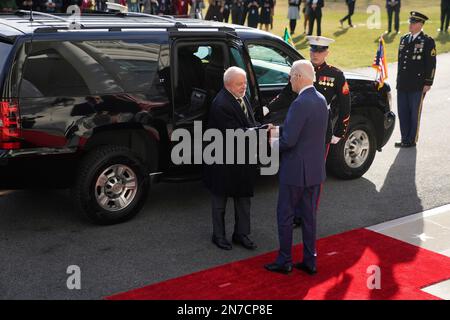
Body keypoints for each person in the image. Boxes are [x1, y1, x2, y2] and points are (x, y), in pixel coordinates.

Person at [266, 36, 350, 227]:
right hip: (299, 129)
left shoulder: (335, 75)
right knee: (297, 172)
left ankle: (308, 213)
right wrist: (267, 108)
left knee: (314, 176)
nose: (315, 54)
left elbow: (346, 105)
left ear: (326, 53)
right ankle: (296, 213)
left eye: (319, 51)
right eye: (312, 50)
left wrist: (340, 132)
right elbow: (286, 94)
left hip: (320, 132)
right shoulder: (302, 69)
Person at [264, 60, 328, 275]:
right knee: (309, 218)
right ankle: (310, 260)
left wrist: (270, 143)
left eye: (291, 76)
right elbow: (307, 131)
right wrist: (279, 128)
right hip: (314, 171)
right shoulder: (320, 99)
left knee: (285, 215)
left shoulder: (299, 103)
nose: (289, 80)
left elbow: (290, 140)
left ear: (299, 77)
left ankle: (285, 260)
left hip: (294, 171)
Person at [204, 67, 265, 251]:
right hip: (223, 161)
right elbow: (235, 133)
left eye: (245, 83)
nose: (244, 87)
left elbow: (249, 123)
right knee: (220, 201)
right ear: (228, 84)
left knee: (243, 199)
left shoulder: (241, 96)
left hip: (242, 159)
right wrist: (259, 131)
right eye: (239, 84)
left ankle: (241, 234)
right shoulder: (221, 103)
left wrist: (260, 127)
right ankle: (219, 236)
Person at [395, 11, 436, 148]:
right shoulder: (404, 39)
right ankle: (404, 137)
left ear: (420, 24)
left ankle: (411, 139)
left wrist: (428, 82)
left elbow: (431, 63)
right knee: (403, 112)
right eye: (410, 23)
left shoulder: (427, 41)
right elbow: (401, 62)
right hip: (403, 83)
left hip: (417, 84)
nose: (410, 25)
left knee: (414, 114)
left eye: (413, 23)